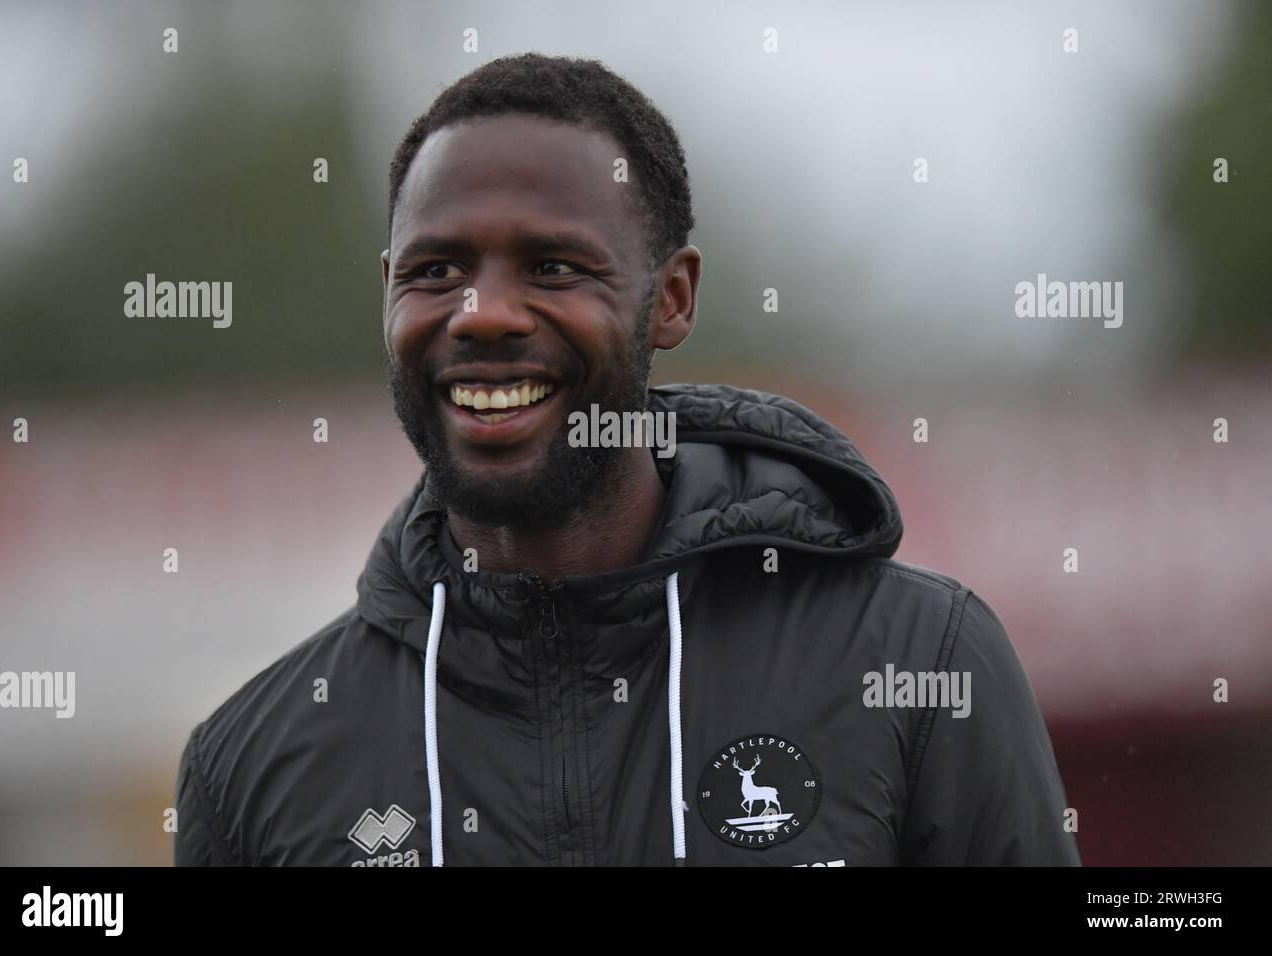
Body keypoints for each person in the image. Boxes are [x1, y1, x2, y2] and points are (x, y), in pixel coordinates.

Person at [174, 52, 1080, 866]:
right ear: (387, 296)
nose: (483, 313)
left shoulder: (920, 660)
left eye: (555, 268)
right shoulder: (253, 767)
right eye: (437, 271)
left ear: (671, 300)